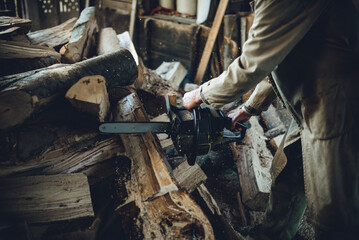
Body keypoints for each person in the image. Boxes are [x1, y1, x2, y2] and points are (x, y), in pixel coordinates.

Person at [183, 0, 359, 239]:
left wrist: (200, 94)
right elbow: (279, 57)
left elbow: (253, 64)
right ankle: (272, 234)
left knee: (334, 207)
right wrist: (250, 107)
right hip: (313, 98)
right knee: (289, 170)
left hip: (338, 103)